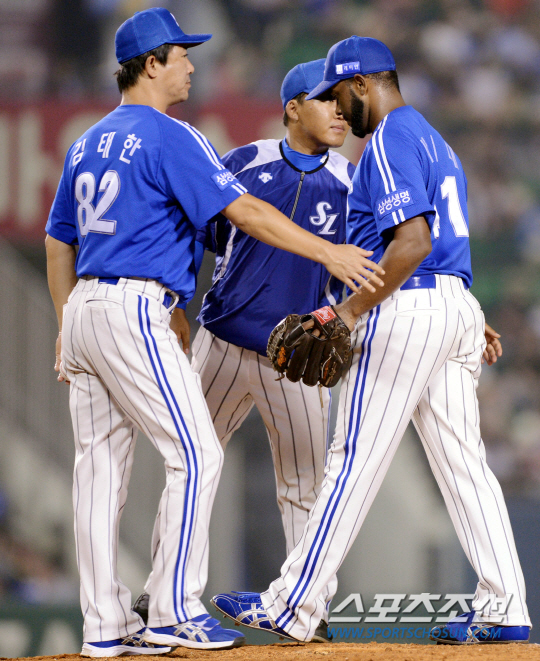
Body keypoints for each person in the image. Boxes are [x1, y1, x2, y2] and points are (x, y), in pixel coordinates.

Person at [45, 11, 384, 656]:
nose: (192, 66)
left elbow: (59, 240)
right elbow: (243, 213)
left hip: (87, 307)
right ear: (152, 64)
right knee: (198, 454)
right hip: (139, 308)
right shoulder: (175, 135)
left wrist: (65, 323)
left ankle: (105, 626)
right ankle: (173, 611)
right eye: (181, 56)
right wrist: (328, 253)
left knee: (99, 473)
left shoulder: (86, 140)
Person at [212, 36, 532, 645]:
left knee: (351, 460)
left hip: (405, 309)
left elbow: (411, 242)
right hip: (450, 303)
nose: (337, 107)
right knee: (466, 466)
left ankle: (293, 604)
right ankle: (505, 607)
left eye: (339, 93)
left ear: (363, 84)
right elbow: (438, 247)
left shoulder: (388, 139)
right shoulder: (432, 138)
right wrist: (463, 310)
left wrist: (347, 313)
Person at [132, 58, 356, 643]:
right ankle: (162, 592)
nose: (339, 112)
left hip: (297, 357)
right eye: (325, 100)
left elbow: (366, 266)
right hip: (224, 341)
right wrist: (177, 301)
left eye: (342, 103)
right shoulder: (244, 162)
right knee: (189, 465)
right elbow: (195, 232)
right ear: (292, 108)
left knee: (305, 484)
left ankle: (308, 606)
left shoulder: (351, 181)